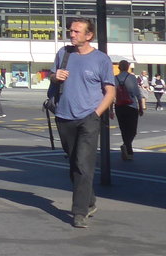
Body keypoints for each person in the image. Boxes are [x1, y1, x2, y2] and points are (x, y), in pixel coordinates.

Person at [52, 19, 116, 229]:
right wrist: (55, 77)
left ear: (89, 36)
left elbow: (110, 92)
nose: (71, 34)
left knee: (83, 164)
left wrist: (96, 114)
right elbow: (52, 78)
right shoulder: (64, 53)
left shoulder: (101, 59)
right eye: (70, 31)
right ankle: (89, 200)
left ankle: (79, 212)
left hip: (88, 118)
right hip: (64, 116)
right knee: (74, 164)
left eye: (76, 31)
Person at [113, 59, 147, 160]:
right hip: (131, 106)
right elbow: (137, 93)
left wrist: (110, 110)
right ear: (128, 67)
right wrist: (141, 107)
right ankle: (127, 146)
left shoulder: (115, 78)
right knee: (132, 130)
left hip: (119, 106)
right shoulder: (131, 77)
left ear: (119, 67)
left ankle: (128, 150)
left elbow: (111, 95)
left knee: (123, 129)